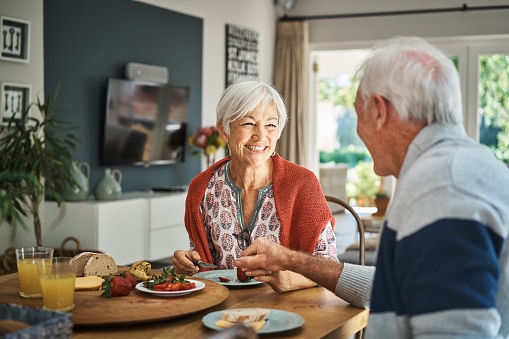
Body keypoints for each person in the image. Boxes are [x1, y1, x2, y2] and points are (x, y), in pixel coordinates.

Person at [235, 36, 509, 338]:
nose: (357, 128)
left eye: (357, 113)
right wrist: (291, 260)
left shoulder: (442, 185)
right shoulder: (462, 167)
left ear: (379, 111)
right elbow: (397, 284)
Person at [172, 80, 338, 292]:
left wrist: (290, 279)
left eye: (270, 124)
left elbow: (329, 265)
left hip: (290, 307)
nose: (260, 136)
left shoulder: (302, 183)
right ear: (224, 130)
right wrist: (188, 263)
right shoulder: (202, 188)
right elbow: (205, 262)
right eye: (249, 123)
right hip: (222, 307)